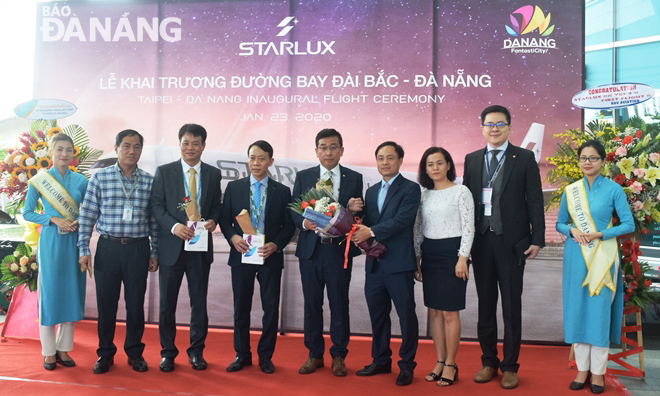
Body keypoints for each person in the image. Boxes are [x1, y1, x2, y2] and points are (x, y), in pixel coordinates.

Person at [462, 105, 545, 389]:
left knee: (511, 307)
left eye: (500, 123)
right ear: (482, 127)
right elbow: (465, 204)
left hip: (512, 245)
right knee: (485, 306)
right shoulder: (472, 160)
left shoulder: (523, 158)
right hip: (481, 243)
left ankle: (510, 366)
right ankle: (488, 362)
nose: (494, 128)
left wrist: (537, 239)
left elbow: (535, 200)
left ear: (509, 127)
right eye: (489, 124)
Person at [556, 140, 634, 394]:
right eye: (583, 158)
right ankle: (581, 369)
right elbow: (559, 223)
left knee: (599, 313)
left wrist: (600, 234)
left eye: (593, 158)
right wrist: (571, 229)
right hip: (576, 257)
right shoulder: (571, 190)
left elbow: (628, 225)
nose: (587, 162)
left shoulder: (614, 190)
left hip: (604, 256)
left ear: (603, 162)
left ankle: (599, 373)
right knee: (578, 310)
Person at [78, 129, 159, 374]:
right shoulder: (100, 178)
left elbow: (153, 220)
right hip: (108, 248)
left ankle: (135, 353)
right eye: (126, 146)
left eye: (136, 147)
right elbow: (87, 216)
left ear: (141, 151)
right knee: (106, 304)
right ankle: (105, 354)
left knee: (135, 304)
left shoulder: (149, 180)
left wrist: (154, 251)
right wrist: (84, 249)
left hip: (138, 249)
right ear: (116, 148)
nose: (131, 151)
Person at [291, 128, 364, 376]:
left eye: (334, 147)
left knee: (339, 303)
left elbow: (358, 215)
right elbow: (293, 210)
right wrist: (304, 223)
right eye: (323, 147)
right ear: (316, 151)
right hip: (311, 250)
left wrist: (354, 209)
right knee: (312, 304)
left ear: (342, 150)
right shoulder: (304, 176)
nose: (328, 152)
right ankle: (314, 354)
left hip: (338, 252)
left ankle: (339, 356)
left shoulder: (354, 177)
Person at [150, 123, 222, 372]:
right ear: (179, 144)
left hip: (200, 248)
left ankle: (196, 352)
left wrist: (213, 220)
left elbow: (216, 206)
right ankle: (168, 352)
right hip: (172, 247)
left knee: (198, 303)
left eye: (195, 143)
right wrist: (174, 227)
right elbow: (156, 207)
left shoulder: (213, 174)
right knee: (167, 304)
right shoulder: (164, 172)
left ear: (203, 145)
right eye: (185, 143)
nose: (190, 148)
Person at [219, 140, 295, 374]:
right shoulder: (235, 188)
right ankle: (242, 354)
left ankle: (265, 357)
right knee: (241, 308)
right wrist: (233, 238)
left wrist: (276, 244)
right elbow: (224, 220)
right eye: (252, 157)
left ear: (270, 162)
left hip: (268, 256)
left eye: (261, 158)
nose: (256, 163)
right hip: (242, 254)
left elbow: (289, 225)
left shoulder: (282, 191)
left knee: (270, 309)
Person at [351, 141, 421, 386]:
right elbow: (366, 222)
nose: (385, 162)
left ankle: (407, 365)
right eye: (380, 158)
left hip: (399, 264)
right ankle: (380, 360)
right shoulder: (371, 192)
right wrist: (354, 213)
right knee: (378, 316)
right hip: (375, 264)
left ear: (400, 160)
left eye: (390, 158)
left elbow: (403, 220)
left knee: (406, 316)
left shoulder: (411, 189)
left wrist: (371, 230)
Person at [23, 133, 88, 370]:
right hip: (50, 242)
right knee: (50, 294)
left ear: (73, 154)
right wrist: (52, 219)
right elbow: (28, 213)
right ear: (51, 152)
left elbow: (89, 211)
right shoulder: (39, 180)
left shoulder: (82, 181)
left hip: (74, 241)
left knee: (72, 291)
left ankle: (64, 349)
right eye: (59, 149)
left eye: (69, 150)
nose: (64, 154)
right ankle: (48, 351)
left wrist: (79, 222)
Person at [414, 147, 474, 386]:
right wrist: (417, 257)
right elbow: (418, 228)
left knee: (450, 312)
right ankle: (439, 361)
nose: (435, 168)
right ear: (425, 169)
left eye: (440, 163)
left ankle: (451, 363)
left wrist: (463, 257)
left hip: (453, 254)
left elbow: (469, 227)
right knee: (434, 312)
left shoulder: (461, 191)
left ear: (449, 165)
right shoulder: (424, 195)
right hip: (430, 253)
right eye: (430, 164)